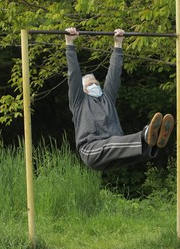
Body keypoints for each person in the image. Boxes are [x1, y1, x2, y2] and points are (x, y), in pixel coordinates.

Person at [65, 27, 174, 171]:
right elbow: (74, 75)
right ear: (83, 89)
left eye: (97, 83)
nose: (95, 86)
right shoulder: (79, 101)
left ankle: (152, 143)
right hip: (91, 149)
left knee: (137, 150)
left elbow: (114, 75)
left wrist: (118, 45)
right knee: (118, 142)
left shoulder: (107, 98)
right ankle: (145, 135)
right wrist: (70, 44)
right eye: (91, 84)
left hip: (114, 151)